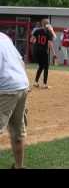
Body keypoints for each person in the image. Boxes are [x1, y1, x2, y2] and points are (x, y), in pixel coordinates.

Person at [0, 32, 30, 169]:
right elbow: (21, 61)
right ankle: (19, 166)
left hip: (6, 88)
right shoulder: (4, 37)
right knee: (18, 131)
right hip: (22, 84)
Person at [31, 19, 56, 89]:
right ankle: (44, 84)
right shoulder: (48, 32)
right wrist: (54, 53)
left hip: (36, 51)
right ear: (48, 25)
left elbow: (31, 40)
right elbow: (51, 43)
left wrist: (37, 44)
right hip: (44, 51)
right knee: (46, 67)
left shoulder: (37, 31)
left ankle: (36, 82)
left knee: (41, 66)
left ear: (42, 24)